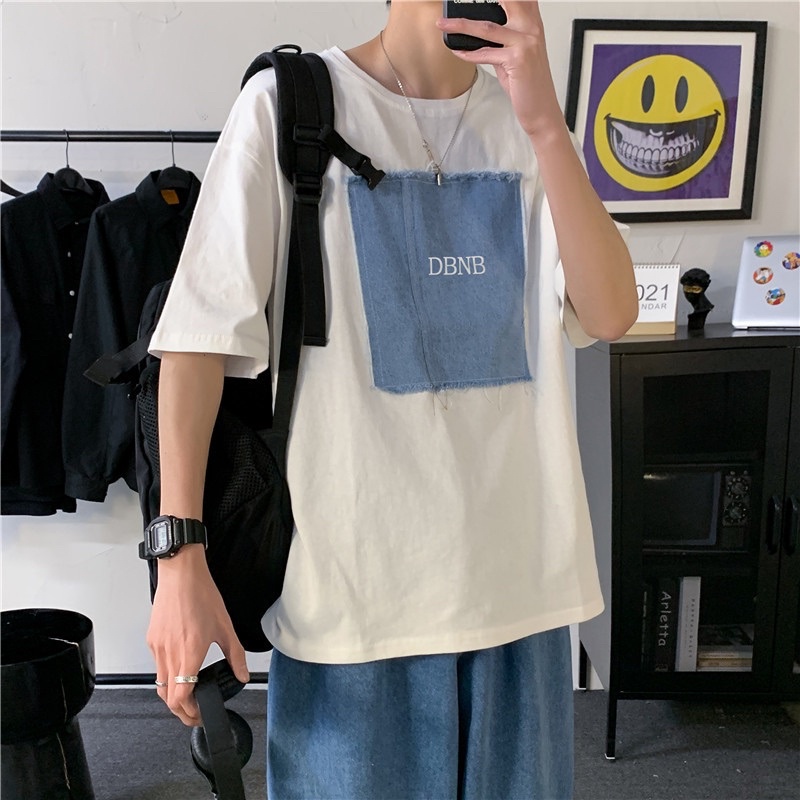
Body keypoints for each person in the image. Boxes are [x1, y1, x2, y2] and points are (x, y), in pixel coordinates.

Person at [146, 1, 637, 798]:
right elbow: (196, 342)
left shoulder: (531, 119)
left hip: (524, 592)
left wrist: (546, 125)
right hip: (354, 604)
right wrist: (179, 559)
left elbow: (610, 314)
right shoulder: (288, 106)